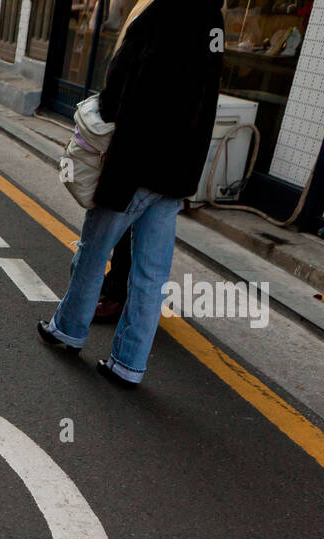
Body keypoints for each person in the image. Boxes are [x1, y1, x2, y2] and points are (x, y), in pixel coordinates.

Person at [38, 0, 223, 386]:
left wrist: (107, 111)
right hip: (176, 171)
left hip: (137, 161)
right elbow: (208, 99)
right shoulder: (212, 21)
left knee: (94, 250)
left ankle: (68, 329)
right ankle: (129, 363)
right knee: (150, 275)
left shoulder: (159, 15)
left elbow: (121, 81)